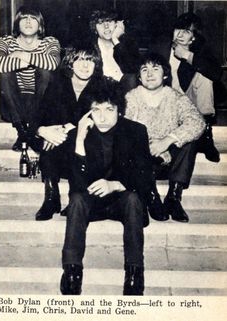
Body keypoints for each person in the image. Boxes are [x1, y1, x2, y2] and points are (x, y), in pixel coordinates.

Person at [59, 80, 153, 296]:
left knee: (132, 199)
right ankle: (72, 273)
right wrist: (80, 141)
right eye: (96, 110)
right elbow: (77, 185)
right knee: (76, 200)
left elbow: (145, 176)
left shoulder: (136, 131)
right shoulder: (78, 135)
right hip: (91, 202)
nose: (102, 116)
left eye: (109, 110)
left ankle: (134, 274)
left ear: (119, 111)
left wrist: (115, 184)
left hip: (121, 201)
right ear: (88, 113)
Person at [33, 43, 114, 221]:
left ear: (96, 65)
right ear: (70, 63)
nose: (85, 66)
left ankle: (75, 196)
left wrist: (68, 128)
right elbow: (38, 115)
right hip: (59, 150)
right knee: (50, 139)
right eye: (80, 60)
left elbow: (104, 120)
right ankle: (51, 196)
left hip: (89, 148)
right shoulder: (57, 84)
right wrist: (43, 130)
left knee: (68, 137)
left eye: (90, 61)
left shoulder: (103, 86)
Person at [125, 53, 205, 223]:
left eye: (155, 69)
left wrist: (167, 141)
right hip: (143, 165)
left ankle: (174, 197)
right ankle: (152, 197)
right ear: (139, 77)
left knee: (190, 140)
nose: (150, 74)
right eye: (144, 70)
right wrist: (152, 148)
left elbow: (198, 122)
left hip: (171, 162)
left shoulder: (175, 97)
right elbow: (124, 132)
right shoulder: (130, 98)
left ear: (165, 74)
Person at [147, 12, 222, 162]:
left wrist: (188, 56)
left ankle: (206, 132)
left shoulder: (201, 49)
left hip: (192, 100)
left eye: (186, 31)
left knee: (204, 77)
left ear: (193, 37)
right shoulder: (160, 46)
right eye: (178, 30)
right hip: (167, 99)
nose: (180, 34)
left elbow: (216, 73)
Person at [0, 5, 61, 151]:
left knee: (45, 71)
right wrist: (35, 59)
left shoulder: (50, 42)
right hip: (12, 103)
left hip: (40, 103)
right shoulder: (6, 41)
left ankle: (29, 132)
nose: (28, 22)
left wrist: (20, 55)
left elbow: (53, 63)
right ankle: (23, 132)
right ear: (17, 23)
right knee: (4, 74)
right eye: (23, 18)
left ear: (40, 25)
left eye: (33, 18)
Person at [89, 9, 140, 93]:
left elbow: (132, 71)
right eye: (100, 22)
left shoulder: (128, 44)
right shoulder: (90, 46)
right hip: (99, 90)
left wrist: (115, 40)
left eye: (109, 21)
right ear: (95, 28)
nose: (106, 26)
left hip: (122, 90)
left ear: (117, 24)